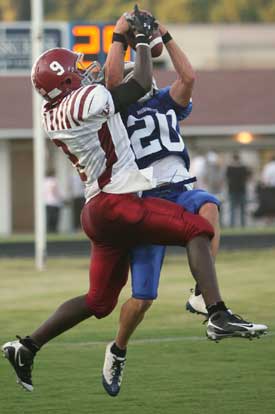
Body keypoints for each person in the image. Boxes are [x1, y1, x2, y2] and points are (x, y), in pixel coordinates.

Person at [2, 8, 267, 395]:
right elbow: (140, 81)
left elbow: (118, 83)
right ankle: (216, 313)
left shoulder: (51, 111)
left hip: (97, 210)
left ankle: (26, 346)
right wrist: (139, 39)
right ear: (68, 82)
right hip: (118, 203)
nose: (86, 71)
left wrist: (121, 37)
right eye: (77, 69)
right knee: (197, 228)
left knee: (99, 300)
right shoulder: (87, 101)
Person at [101, 19, 267, 396]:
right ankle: (119, 348)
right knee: (142, 298)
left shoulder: (166, 104)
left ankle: (201, 296)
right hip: (145, 202)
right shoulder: (118, 113)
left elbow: (188, 76)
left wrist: (166, 37)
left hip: (180, 191)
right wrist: (119, 35)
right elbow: (112, 82)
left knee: (208, 206)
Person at [226, 153, 250, 227]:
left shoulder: (229, 168)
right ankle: (243, 225)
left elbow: (227, 178)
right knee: (242, 210)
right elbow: (247, 178)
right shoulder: (243, 168)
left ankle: (232, 225)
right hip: (242, 190)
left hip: (232, 190)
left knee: (232, 209)